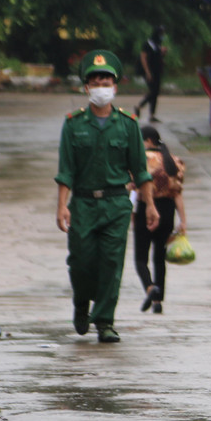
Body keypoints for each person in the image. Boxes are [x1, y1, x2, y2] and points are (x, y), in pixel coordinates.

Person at [55, 50, 159, 343]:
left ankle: (104, 322)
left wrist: (150, 204)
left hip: (116, 204)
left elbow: (141, 171)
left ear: (115, 86)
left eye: (106, 80)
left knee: (111, 265)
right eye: (95, 81)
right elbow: (66, 170)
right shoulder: (74, 124)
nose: (101, 85)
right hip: (84, 204)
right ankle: (80, 303)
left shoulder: (127, 124)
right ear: (86, 87)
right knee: (81, 262)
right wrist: (62, 205)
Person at [134, 124, 187, 315]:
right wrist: (183, 221)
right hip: (168, 211)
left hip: (146, 210)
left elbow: (132, 187)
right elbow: (177, 194)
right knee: (159, 257)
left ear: (147, 141)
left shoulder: (142, 160)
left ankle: (150, 287)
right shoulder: (174, 161)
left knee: (141, 258)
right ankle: (158, 301)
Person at [135, 25, 167, 122]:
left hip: (157, 71)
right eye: (161, 33)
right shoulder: (148, 43)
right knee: (153, 91)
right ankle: (139, 106)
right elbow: (143, 58)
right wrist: (147, 72)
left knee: (156, 92)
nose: (162, 35)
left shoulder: (158, 44)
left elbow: (157, 56)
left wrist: (163, 52)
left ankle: (152, 115)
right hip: (149, 71)